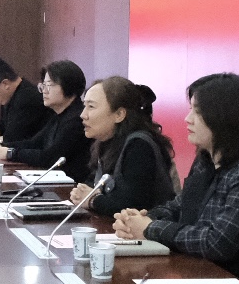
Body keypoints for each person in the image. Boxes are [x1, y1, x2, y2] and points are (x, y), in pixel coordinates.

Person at [113, 72, 239, 279]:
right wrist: (140, 220)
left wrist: (150, 228)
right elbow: (181, 206)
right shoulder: (206, 158)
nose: (187, 119)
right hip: (203, 275)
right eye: (190, 110)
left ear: (226, 117)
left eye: (198, 112)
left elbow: (218, 242)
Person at [0, 60, 92, 183]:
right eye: (43, 85)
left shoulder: (77, 119)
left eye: (50, 85)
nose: (44, 91)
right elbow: (34, 142)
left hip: (71, 187)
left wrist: (10, 153)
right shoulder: (59, 115)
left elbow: (50, 157)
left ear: (69, 86)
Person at [69, 76, 175, 215]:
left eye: (91, 107)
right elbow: (94, 184)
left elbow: (131, 206)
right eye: (84, 106)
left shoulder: (139, 146)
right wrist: (81, 193)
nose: (83, 115)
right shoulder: (106, 141)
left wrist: (93, 200)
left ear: (119, 114)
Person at [0, 57, 48, 145]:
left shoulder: (27, 99)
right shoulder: (10, 96)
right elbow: (2, 127)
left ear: (5, 83)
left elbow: (12, 140)